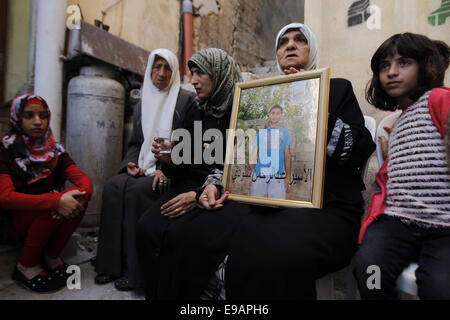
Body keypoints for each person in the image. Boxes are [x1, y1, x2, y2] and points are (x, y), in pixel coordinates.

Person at [146, 22, 375, 300]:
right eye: (283, 42)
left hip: (324, 205)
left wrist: (307, 102)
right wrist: (213, 185)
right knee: (185, 234)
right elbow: (238, 154)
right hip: (262, 198)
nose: (290, 45)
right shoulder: (258, 97)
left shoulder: (336, 89)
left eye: (299, 40)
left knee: (266, 254)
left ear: (311, 49)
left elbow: (357, 149)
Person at [136, 48, 243, 299]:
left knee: (181, 237)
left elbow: (237, 165)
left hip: (225, 192)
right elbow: (187, 161)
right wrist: (171, 158)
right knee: (147, 227)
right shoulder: (197, 109)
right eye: (191, 73)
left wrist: (196, 196)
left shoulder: (240, 110)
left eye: (200, 73)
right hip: (190, 184)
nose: (193, 80)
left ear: (219, 74)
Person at [354, 33, 450, 300]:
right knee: (369, 271)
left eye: (404, 62)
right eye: (384, 66)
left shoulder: (439, 99)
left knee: (440, 287)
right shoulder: (396, 123)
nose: (392, 72)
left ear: (425, 66)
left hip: (443, 226)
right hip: (396, 223)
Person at [94, 49, 195, 291]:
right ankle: (110, 265)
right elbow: (135, 144)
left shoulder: (185, 100)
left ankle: (136, 271)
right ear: (149, 70)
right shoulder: (141, 105)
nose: (161, 73)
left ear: (175, 72)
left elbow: (188, 143)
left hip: (171, 170)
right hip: (144, 165)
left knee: (138, 192)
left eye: (167, 68)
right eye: (156, 67)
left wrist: (165, 168)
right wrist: (130, 163)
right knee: (114, 186)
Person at [0, 94, 93, 293]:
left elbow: (83, 181)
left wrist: (80, 194)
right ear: (17, 118)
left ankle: (52, 256)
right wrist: (55, 200)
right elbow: (5, 197)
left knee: (76, 197)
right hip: (12, 220)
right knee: (53, 204)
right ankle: (26, 265)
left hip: (43, 216)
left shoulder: (54, 150)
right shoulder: (5, 150)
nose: (37, 122)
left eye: (43, 116)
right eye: (29, 116)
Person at [249, 104, 292, 199]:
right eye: (272, 113)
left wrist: (288, 177)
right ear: (269, 114)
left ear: (281, 115)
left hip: (277, 175)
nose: (275, 115)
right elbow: (254, 153)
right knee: (255, 203)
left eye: (277, 113)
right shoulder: (261, 133)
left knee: (278, 205)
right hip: (260, 174)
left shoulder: (285, 133)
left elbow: (287, 155)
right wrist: (251, 173)